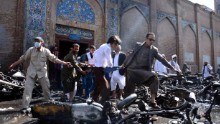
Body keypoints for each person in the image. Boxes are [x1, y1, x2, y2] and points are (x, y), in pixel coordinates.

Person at [9, 37, 72, 113]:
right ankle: (25, 107)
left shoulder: (46, 51)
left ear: (42, 43)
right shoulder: (31, 50)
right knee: (27, 90)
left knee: (46, 89)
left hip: (42, 73)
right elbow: (23, 58)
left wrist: (65, 63)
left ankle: (48, 103)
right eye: (35, 41)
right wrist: (13, 64)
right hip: (31, 73)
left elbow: (54, 59)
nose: (36, 43)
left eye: (38, 41)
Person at [123, 32, 179, 108]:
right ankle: (124, 107)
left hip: (144, 72)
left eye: (153, 40)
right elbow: (130, 55)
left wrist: (172, 67)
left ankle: (152, 101)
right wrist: (123, 65)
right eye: (150, 39)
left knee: (154, 78)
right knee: (128, 91)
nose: (151, 41)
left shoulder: (154, 50)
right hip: (133, 70)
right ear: (145, 39)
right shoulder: (138, 46)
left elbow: (162, 59)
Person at [92, 35, 121, 103]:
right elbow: (109, 59)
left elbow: (95, 53)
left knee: (98, 86)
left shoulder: (104, 45)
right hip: (99, 69)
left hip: (97, 68)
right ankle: (104, 103)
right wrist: (112, 66)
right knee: (106, 86)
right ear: (113, 42)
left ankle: (94, 100)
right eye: (116, 44)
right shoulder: (107, 48)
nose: (116, 46)